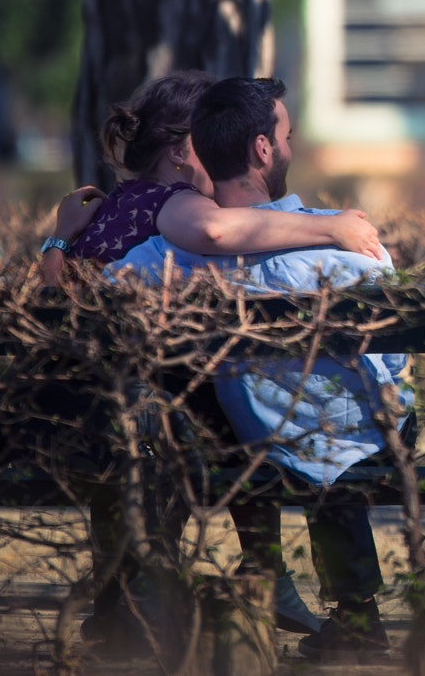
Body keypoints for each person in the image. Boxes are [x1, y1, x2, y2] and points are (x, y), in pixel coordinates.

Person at [109, 77, 403, 661]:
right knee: (341, 432)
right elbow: (390, 362)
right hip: (356, 446)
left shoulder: (163, 257)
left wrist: (60, 242)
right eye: (288, 134)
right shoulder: (352, 248)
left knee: (300, 431)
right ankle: (356, 613)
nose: (290, 144)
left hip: (248, 448)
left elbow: (102, 293)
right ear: (265, 150)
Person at [37, 71, 383, 290]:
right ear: (176, 153)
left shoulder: (119, 203)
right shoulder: (172, 201)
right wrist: (332, 228)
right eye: (205, 137)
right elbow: (214, 228)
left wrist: (61, 237)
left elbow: (50, 294)